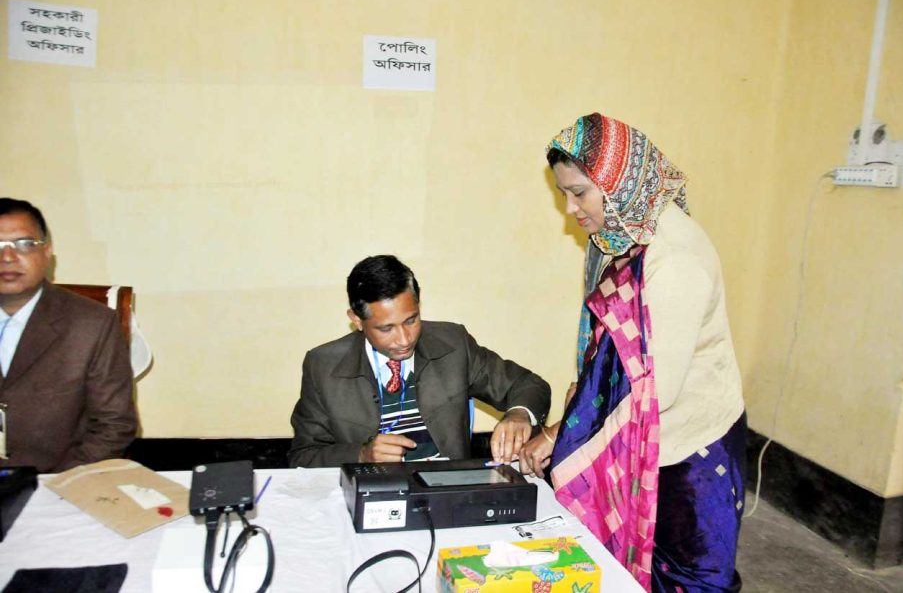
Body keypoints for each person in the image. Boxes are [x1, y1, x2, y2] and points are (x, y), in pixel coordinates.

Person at [519, 114, 747, 592]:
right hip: (642, 437)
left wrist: (560, 432)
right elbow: (613, 354)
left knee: (689, 575)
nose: (570, 209)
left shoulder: (674, 261)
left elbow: (650, 389)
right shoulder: (625, 233)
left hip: (688, 452)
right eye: (564, 194)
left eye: (579, 192)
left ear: (621, 183)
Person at [288, 254, 551, 468]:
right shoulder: (323, 366)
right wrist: (361, 455)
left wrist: (518, 413)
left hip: (447, 489)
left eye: (411, 320)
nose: (404, 339)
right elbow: (304, 456)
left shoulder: (453, 344)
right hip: (375, 492)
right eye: (386, 328)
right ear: (357, 320)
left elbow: (529, 385)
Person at [0, 198, 138, 473]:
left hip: (55, 484)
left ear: (47, 253)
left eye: (24, 244)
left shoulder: (91, 323)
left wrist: (60, 484)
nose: (7, 257)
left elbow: (114, 424)